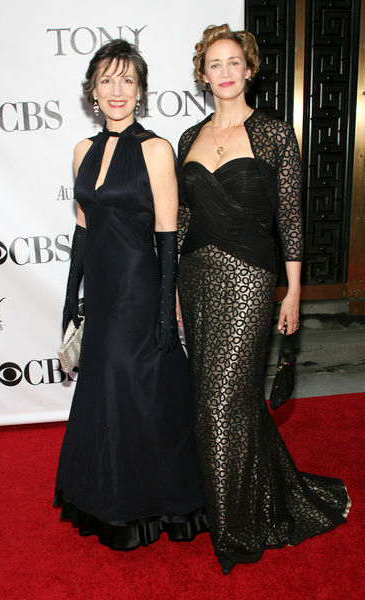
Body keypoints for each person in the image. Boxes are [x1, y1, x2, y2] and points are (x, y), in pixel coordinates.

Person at [176, 24, 350, 574]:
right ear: (202, 74)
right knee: (220, 399)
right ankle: (248, 495)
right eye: (214, 64)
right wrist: (173, 291)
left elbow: (290, 218)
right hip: (195, 279)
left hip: (250, 280)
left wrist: (293, 290)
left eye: (234, 63)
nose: (224, 72)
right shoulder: (188, 138)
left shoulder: (274, 134)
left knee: (222, 400)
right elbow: (182, 218)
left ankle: (235, 525)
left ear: (249, 70)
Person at [54, 39, 206, 551]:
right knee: (103, 393)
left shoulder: (156, 149)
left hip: (140, 291)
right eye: (106, 80)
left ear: (139, 90)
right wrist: (71, 301)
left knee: (140, 391)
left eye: (127, 80)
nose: (117, 90)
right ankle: (109, 500)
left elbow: (167, 237)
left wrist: (166, 313)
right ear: (92, 91)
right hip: (99, 293)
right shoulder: (82, 150)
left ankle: (153, 505)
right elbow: (81, 232)